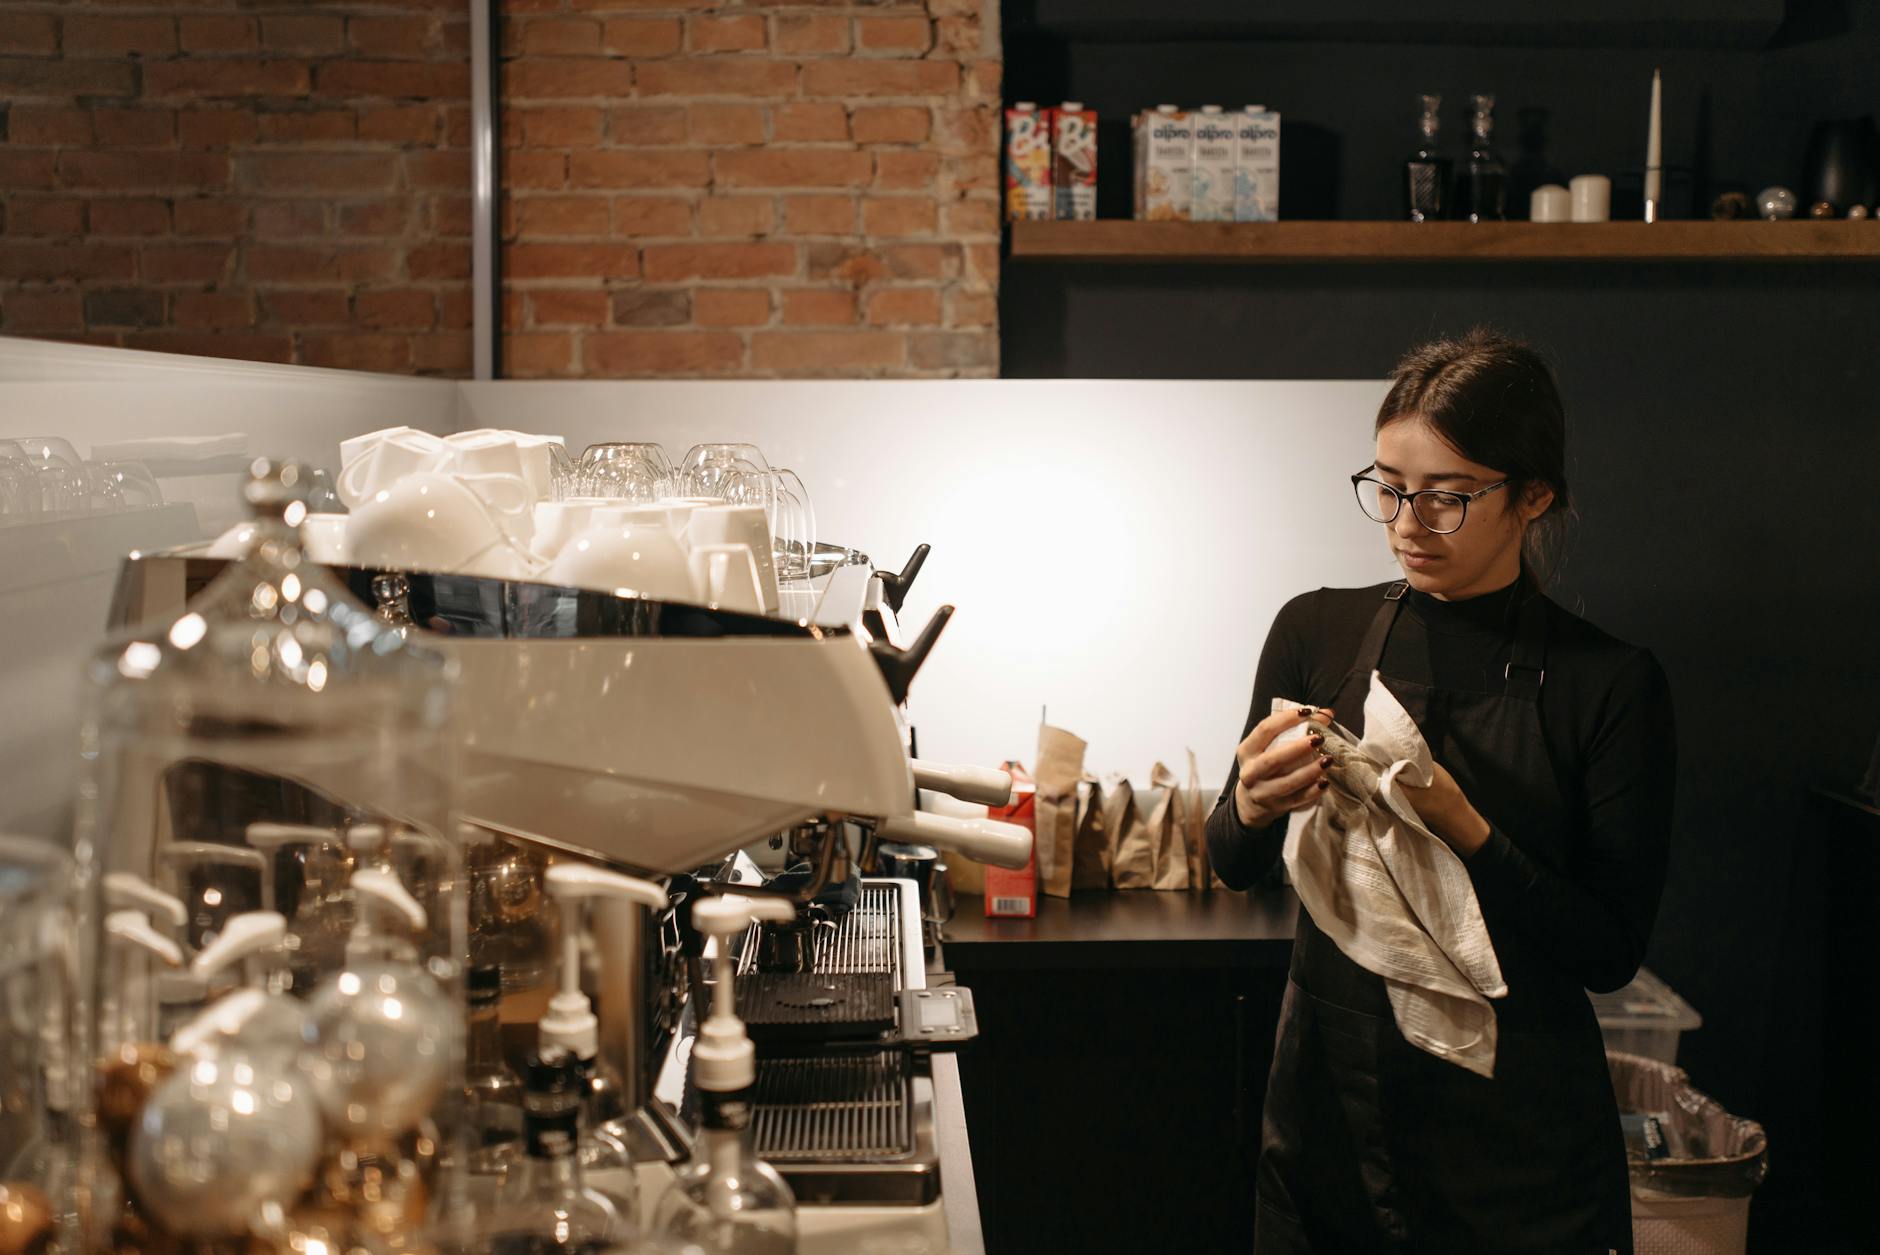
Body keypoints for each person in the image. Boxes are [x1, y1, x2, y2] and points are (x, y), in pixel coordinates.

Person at [1206, 328, 1675, 1254]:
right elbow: (1233, 860)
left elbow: (1609, 950)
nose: (1406, 524)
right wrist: (1252, 805)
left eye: (1446, 497)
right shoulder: (1316, 631)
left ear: (1533, 495)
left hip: (1515, 1149)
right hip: (1328, 1119)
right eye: (1387, 487)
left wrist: (1468, 829)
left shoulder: (1609, 683)